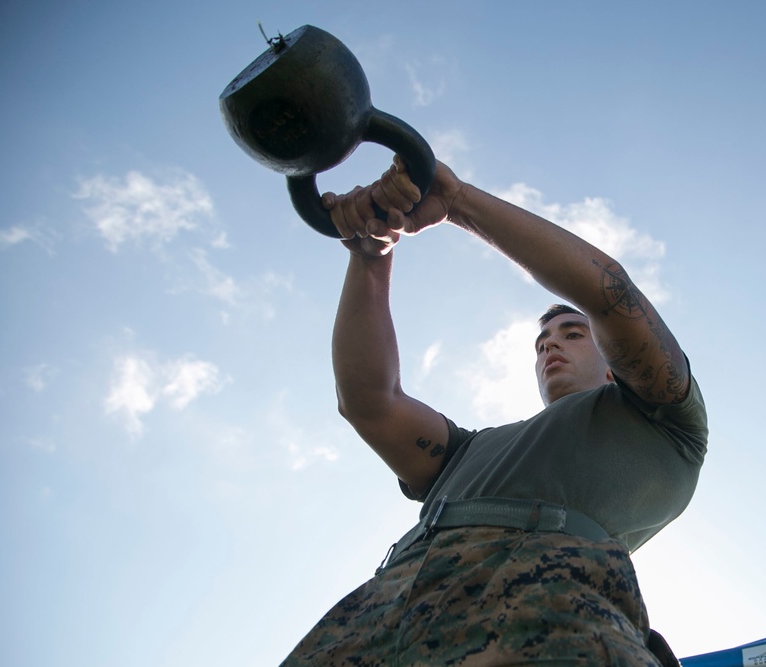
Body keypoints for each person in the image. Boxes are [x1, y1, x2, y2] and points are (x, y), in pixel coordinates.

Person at [280, 157, 708, 666]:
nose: (550, 346)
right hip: (378, 615)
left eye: (573, 334)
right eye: (541, 341)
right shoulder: (471, 451)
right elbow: (370, 403)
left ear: (612, 357)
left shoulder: (668, 420)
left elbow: (610, 296)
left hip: (545, 606)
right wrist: (370, 255)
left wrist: (456, 201)